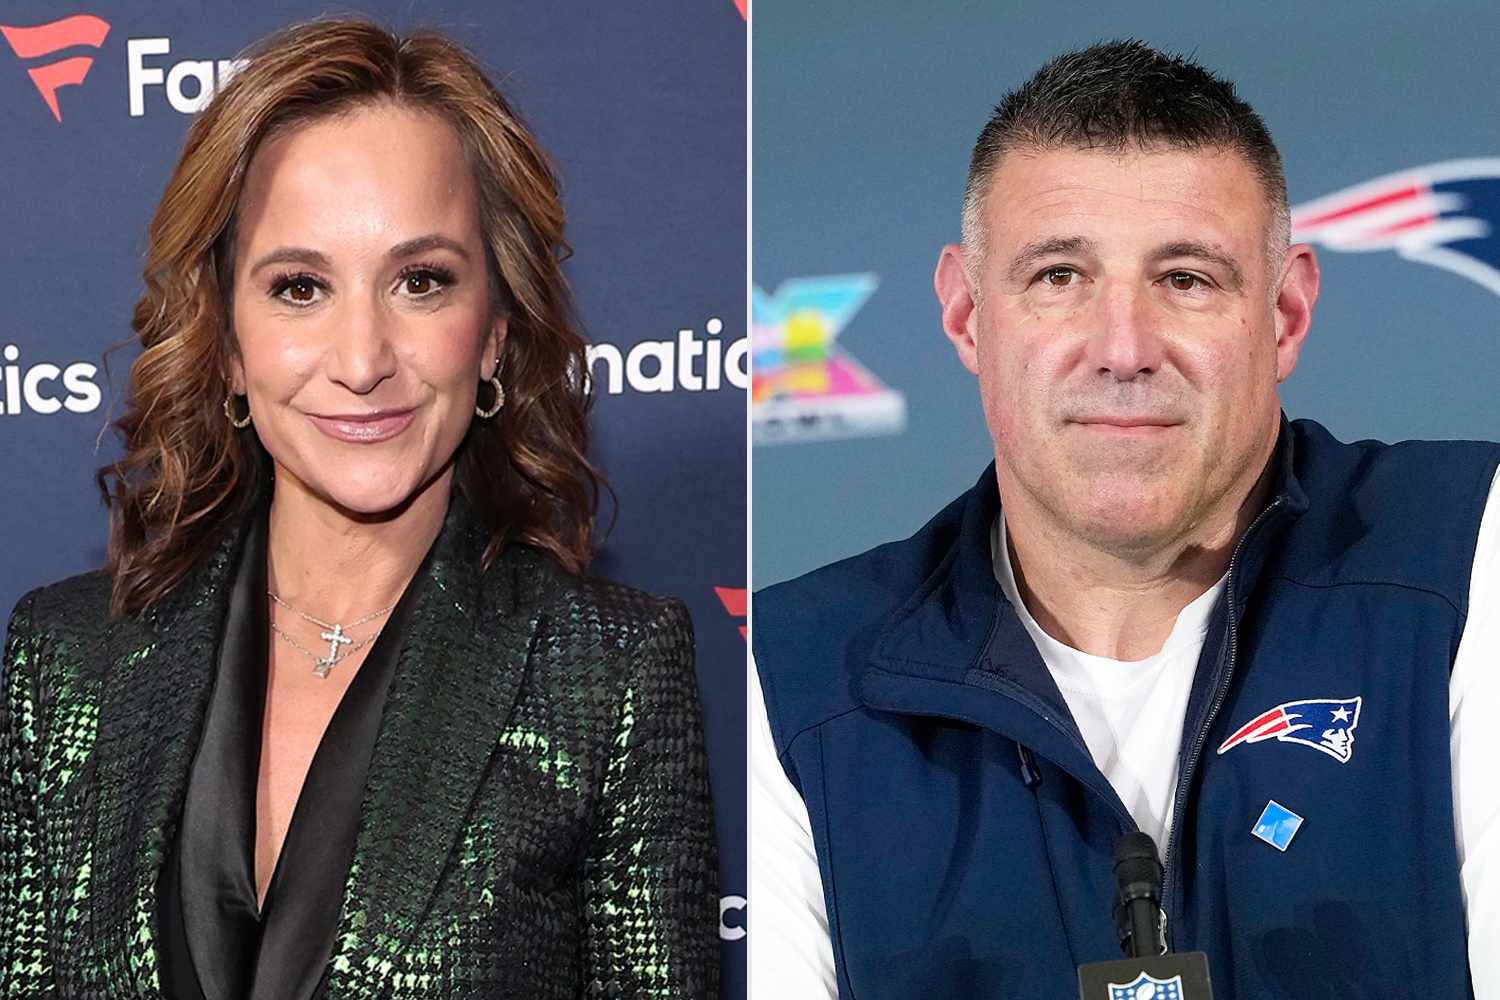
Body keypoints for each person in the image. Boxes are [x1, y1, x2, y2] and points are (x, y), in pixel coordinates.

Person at [750, 40, 1499, 999]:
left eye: (1185, 278)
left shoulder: (1464, 551)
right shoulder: (799, 674)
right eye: (1060, 276)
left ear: (1285, 313)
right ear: (967, 314)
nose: (1124, 348)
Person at [0, 18, 718, 1000]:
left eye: (421, 282)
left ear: (495, 332)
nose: (362, 359)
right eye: (300, 287)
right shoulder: (65, 662)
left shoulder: (609, 673)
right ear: (229, 342)